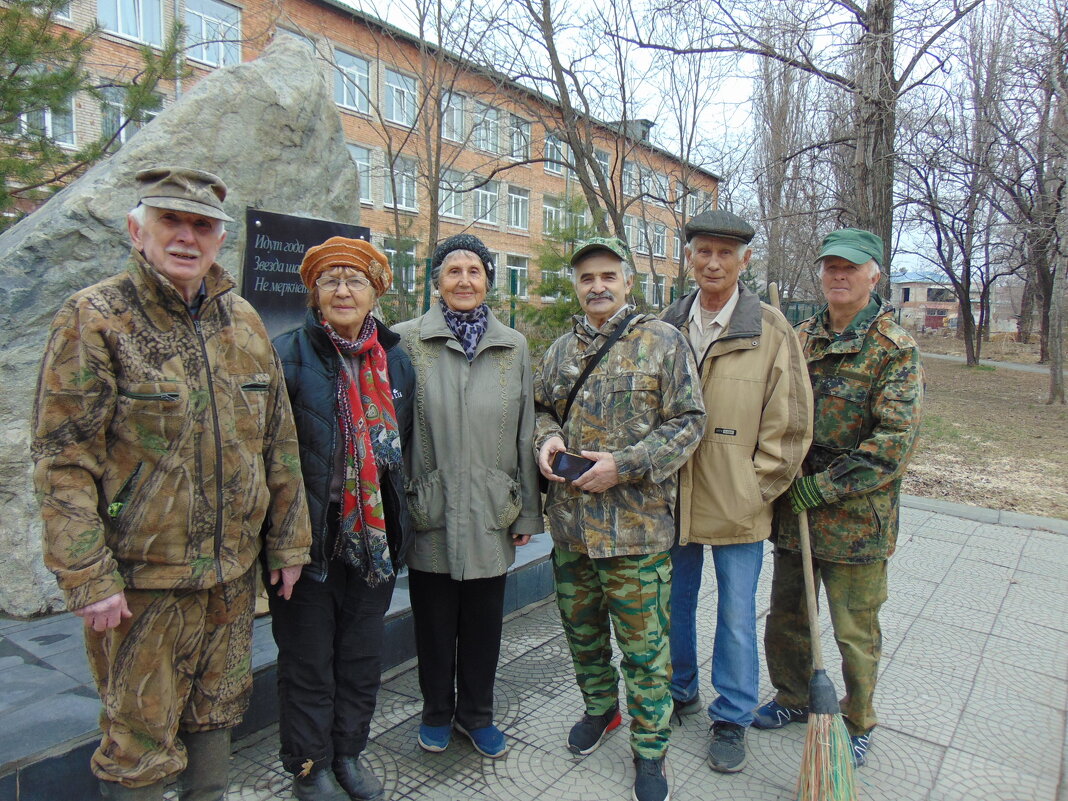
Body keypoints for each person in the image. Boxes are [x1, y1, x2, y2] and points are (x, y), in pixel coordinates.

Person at [30, 167, 311, 801]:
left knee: (218, 717)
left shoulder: (242, 320)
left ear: (219, 238)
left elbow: (278, 441)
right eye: (170, 221)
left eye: (202, 225)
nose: (187, 237)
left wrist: (289, 545)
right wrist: (87, 576)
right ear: (138, 230)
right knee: (138, 745)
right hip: (140, 586)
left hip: (230, 579)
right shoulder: (95, 318)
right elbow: (62, 458)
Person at [534, 237, 705, 801]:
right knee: (582, 637)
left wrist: (624, 466)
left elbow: (688, 423)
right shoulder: (559, 351)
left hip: (635, 531)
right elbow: (540, 410)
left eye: (609, 276)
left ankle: (650, 750)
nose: (598, 287)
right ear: (577, 287)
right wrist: (547, 438)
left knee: (645, 650)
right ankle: (601, 710)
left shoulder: (663, 342)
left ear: (629, 282)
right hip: (572, 530)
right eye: (587, 278)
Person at [755, 228, 924, 768]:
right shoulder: (799, 337)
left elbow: (891, 446)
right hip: (795, 511)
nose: (838, 276)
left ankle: (857, 720)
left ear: (874, 273)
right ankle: (793, 697)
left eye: (850, 267)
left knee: (854, 631)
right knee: (787, 618)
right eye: (830, 266)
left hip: (855, 519)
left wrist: (821, 487)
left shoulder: (893, 350)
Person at [660, 210, 813, 774]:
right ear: (690, 257)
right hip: (673, 499)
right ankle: (679, 689)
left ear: (745, 259)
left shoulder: (770, 330)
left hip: (737, 502)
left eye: (726, 252)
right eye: (704, 251)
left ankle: (733, 715)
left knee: (735, 613)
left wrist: (755, 490)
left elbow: (790, 427)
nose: (714, 262)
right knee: (670, 603)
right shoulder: (666, 325)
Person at [270, 237, 416, 801]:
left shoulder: (395, 358)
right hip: (309, 536)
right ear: (314, 292)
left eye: (354, 279)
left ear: (374, 290)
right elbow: (271, 458)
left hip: (374, 539)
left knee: (360, 655)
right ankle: (311, 767)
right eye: (329, 280)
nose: (342, 290)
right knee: (308, 659)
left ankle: (348, 753)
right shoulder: (288, 354)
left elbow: (403, 450)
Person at [393, 233, 542, 760]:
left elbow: (527, 430)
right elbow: (395, 430)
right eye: (452, 270)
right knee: (432, 624)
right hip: (431, 507)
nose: (463, 279)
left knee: (482, 624)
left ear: (487, 282)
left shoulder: (514, 346)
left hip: (490, 510)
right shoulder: (405, 340)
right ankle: (436, 712)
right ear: (436, 282)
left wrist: (526, 508)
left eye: (473, 270)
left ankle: (476, 715)